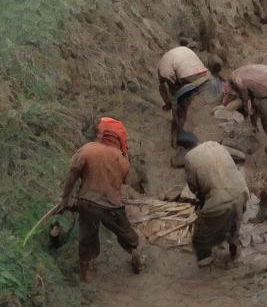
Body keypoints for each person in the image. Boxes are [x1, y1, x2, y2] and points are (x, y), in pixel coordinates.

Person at [60, 117, 142, 282]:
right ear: (118, 141)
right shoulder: (122, 159)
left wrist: (65, 198)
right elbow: (125, 182)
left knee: (87, 237)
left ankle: (86, 272)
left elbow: (73, 172)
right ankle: (135, 253)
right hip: (112, 207)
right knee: (127, 234)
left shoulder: (87, 150)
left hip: (88, 203)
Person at [183, 140, 249, 267]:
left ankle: (205, 261)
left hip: (220, 201)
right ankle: (233, 241)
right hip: (241, 191)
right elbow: (240, 156)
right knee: (236, 217)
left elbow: (193, 187)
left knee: (200, 236)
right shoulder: (216, 145)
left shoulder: (189, 158)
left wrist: (203, 195)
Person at [157, 45, 210, 147]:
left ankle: (176, 138)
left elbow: (169, 90)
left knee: (178, 106)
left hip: (189, 75)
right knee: (183, 102)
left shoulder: (163, 71)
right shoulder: (169, 61)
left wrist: (170, 103)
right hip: (203, 73)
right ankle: (181, 132)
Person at [222, 64, 267, 147]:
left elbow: (245, 98)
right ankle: (255, 129)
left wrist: (247, 107)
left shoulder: (238, 81)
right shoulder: (234, 75)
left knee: (266, 122)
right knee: (253, 113)